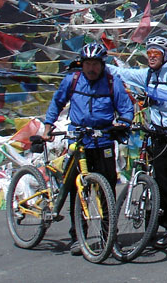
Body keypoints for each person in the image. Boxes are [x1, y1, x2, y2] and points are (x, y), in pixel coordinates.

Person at [107, 36, 167, 254]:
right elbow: (121, 73)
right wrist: (101, 62)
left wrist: (155, 100)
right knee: (163, 186)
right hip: (159, 136)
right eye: (148, 54)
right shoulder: (145, 74)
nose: (151, 57)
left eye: (155, 54)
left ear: (165, 55)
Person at [43, 42, 133, 256]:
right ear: (82, 64)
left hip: (103, 141)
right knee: (77, 191)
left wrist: (123, 123)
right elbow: (56, 103)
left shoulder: (113, 83)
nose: (91, 68)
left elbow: (126, 109)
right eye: (87, 64)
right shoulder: (72, 81)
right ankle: (78, 236)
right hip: (78, 140)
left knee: (106, 191)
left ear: (102, 65)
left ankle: (108, 234)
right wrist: (47, 128)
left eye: (95, 64)